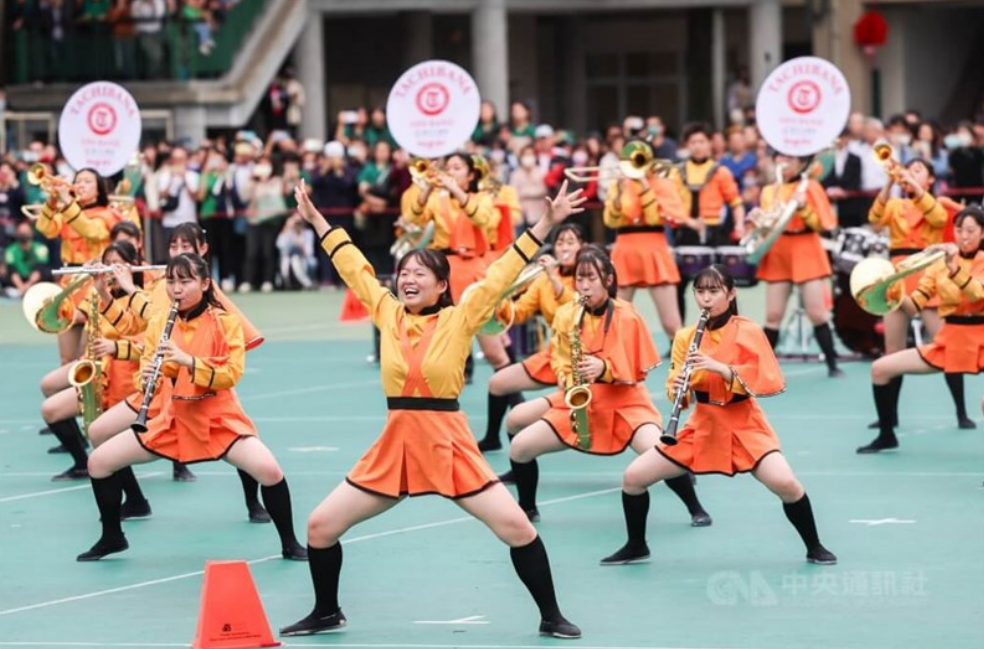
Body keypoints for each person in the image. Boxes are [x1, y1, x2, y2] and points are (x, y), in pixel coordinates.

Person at [280, 179, 586, 639]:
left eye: (421, 272)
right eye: (404, 271)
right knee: (321, 526)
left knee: (517, 527)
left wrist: (547, 221)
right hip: (397, 443)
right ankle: (327, 611)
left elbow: (502, 272)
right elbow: (354, 268)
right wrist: (317, 219)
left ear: (443, 284)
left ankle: (551, 615)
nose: (409, 278)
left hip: (448, 443)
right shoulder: (387, 312)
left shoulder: (460, 316)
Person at [76, 252, 307, 562]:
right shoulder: (160, 320)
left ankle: (290, 543)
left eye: (185, 281)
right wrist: (148, 378)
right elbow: (150, 374)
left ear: (205, 283)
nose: (176, 289)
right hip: (173, 419)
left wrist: (187, 361)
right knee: (99, 462)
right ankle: (112, 536)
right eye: (171, 282)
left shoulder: (225, 322)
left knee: (269, 469)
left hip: (218, 418)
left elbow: (231, 373)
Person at [600, 265, 837, 566]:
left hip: (744, 422)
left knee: (787, 484)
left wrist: (719, 368)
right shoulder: (686, 337)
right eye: (700, 291)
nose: (706, 299)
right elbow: (677, 390)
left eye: (714, 291)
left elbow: (767, 379)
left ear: (731, 293)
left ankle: (814, 545)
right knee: (633, 477)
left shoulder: (748, 330)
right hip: (703, 424)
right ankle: (636, 545)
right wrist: (681, 386)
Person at [505, 245, 711, 526]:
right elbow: (560, 361)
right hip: (583, 402)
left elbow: (636, 371)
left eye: (591, 278)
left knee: (660, 451)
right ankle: (527, 508)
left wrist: (604, 368)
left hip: (626, 401)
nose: (584, 286)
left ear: (609, 280)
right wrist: (569, 380)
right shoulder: (568, 315)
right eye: (580, 279)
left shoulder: (627, 315)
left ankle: (695, 507)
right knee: (520, 447)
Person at [85, 223, 269, 513]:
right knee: (98, 433)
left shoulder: (206, 290)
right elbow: (137, 325)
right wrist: (106, 294)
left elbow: (164, 318)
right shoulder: (163, 282)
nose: (178, 252)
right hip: (162, 383)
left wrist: (131, 289)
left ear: (202, 251)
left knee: (242, 442)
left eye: (186, 246)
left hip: (202, 380)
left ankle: (252, 500)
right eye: (173, 246)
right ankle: (134, 500)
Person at [858, 207, 984, 453]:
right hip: (950, 340)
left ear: (982, 234)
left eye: (971, 230)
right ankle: (887, 435)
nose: (964, 236)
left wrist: (953, 268)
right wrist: (889, 291)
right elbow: (914, 305)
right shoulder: (938, 265)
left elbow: (978, 293)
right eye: (959, 230)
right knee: (880, 369)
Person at [867, 159, 972, 430]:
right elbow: (875, 221)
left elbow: (937, 218)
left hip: (928, 271)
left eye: (917, 171)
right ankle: (888, 418)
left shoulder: (937, 203)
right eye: (908, 169)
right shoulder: (894, 205)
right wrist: (890, 181)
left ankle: (961, 411)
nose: (909, 174)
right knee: (892, 351)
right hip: (898, 274)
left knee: (946, 344)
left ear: (929, 181)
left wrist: (913, 186)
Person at [39, 241, 143, 481]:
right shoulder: (97, 296)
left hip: (127, 381)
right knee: (50, 409)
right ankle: (81, 463)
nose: (111, 270)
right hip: (97, 374)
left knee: (105, 438)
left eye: (118, 265)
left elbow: (146, 346)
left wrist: (114, 347)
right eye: (108, 264)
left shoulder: (141, 301)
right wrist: (54, 310)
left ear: (133, 267)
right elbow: (77, 316)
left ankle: (139, 495)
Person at [476, 223, 583, 453]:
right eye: (560, 242)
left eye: (570, 242)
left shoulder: (586, 276)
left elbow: (579, 308)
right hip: (554, 353)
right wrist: (499, 300)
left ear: (582, 247)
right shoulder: (542, 280)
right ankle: (492, 438)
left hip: (580, 357)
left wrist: (553, 278)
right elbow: (521, 312)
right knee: (498, 383)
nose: (564, 247)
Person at [404, 152, 510, 382]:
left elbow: (484, 219)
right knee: (439, 347)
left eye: (457, 168)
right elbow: (411, 218)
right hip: (443, 274)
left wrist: (457, 192)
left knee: (493, 351)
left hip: (474, 273)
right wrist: (426, 189)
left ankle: (514, 402)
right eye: (448, 167)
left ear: (471, 174)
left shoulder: (483, 197)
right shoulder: (436, 199)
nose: (450, 172)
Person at [754, 152, 843, 377]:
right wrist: (755, 220)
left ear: (801, 163)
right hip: (778, 248)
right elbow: (767, 224)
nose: (784, 164)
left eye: (790, 159)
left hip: (805, 246)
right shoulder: (768, 190)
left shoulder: (810, 186)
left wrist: (803, 208)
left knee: (817, 312)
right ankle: (760, 369)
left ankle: (832, 364)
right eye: (779, 159)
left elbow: (822, 224)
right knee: (773, 315)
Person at [603, 140, 687, 348]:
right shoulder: (619, 184)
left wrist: (644, 186)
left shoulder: (662, 183)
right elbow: (611, 220)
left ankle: (689, 368)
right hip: (624, 248)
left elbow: (658, 217)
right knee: (615, 318)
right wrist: (620, 193)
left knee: (671, 323)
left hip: (654, 248)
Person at [35, 167, 121, 364]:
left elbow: (90, 230)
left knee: (87, 356)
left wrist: (66, 201)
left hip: (95, 284)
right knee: (66, 358)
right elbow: (44, 228)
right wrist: (52, 201)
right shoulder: (68, 211)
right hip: (70, 284)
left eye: (87, 181)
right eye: (78, 180)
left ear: (99, 189)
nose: (81, 184)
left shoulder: (108, 214)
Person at [1, 221, 50, 297]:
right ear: (16, 233)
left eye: (26, 232)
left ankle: (30, 291)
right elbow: (12, 271)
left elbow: (38, 270)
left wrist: (27, 286)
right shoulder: (10, 250)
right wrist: (21, 287)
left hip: (33, 280)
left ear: (31, 233)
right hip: (18, 280)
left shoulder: (40, 248)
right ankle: (16, 291)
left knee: (47, 273)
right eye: (21, 232)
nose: (23, 234)